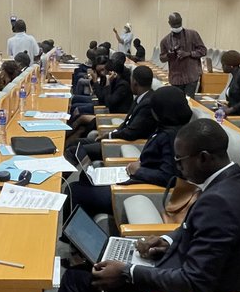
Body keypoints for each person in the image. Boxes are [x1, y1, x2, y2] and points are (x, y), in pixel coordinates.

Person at [43, 119, 240, 292]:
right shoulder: (238, 180)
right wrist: (166, 240)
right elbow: (193, 229)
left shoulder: (219, 203)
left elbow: (196, 283)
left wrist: (128, 272)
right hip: (176, 267)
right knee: (94, 268)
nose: (178, 168)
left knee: (78, 280)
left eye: (180, 161)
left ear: (203, 158)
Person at [66, 85, 193, 218]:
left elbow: (168, 177)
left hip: (141, 190)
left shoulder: (171, 137)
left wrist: (138, 171)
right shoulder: (168, 127)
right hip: (135, 178)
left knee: (74, 190)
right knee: (86, 178)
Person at [68, 65, 157, 165]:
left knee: (73, 151)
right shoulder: (143, 97)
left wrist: (110, 135)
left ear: (135, 82)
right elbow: (127, 123)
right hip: (119, 138)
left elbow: (132, 132)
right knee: (75, 143)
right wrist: (111, 133)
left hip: (121, 144)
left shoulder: (147, 103)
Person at [158, 12, 207, 96]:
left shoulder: (193, 34)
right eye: (174, 24)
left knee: (189, 101)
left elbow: (203, 51)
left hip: (191, 76)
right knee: (177, 101)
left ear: (181, 21)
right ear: (169, 23)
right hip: (175, 78)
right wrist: (169, 55)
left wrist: (189, 53)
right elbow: (162, 58)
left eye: (178, 23)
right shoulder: (165, 41)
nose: (177, 26)